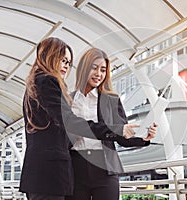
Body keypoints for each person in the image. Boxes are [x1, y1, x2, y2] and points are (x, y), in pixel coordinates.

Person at [19, 37, 139, 200]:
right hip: (50, 175)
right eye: (63, 60)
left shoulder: (35, 84)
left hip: (44, 174)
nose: (66, 66)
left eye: (68, 62)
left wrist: (138, 137)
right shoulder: (48, 81)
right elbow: (69, 122)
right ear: (50, 56)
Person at [65, 48, 158, 200]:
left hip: (105, 167)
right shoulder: (69, 100)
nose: (99, 74)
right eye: (94, 68)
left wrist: (143, 138)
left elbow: (122, 135)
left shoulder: (111, 100)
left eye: (103, 70)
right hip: (76, 167)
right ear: (83, 68)